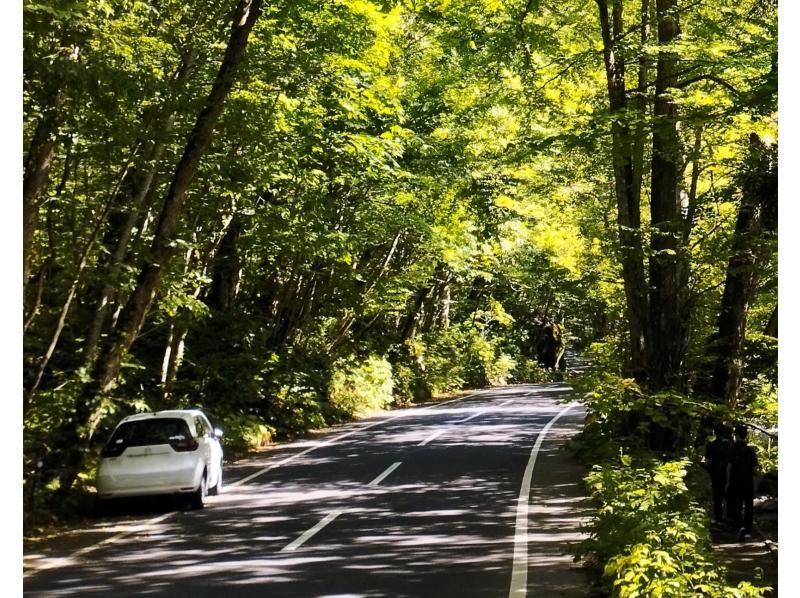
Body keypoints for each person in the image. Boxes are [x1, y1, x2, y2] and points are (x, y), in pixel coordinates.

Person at [727, 424, 758, 541]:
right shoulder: (751, 451)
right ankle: (747, 529)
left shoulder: (731, 449)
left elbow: (728, 466)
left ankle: (738, 528)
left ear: (737, 435)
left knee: (736, 505)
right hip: (748, 482)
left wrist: (727, 481)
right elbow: (754, 467)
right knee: (748, 506)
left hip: (735, 482)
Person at [703, 423, 732, 527]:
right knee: (729, 496)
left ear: (715, 432)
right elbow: (730, 462)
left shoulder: (710, 445)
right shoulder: (729, 444)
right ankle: (730, 518)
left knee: (717, 497)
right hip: (727, 473)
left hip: (715, 474)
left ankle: (718, 519)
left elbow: (706, 462)